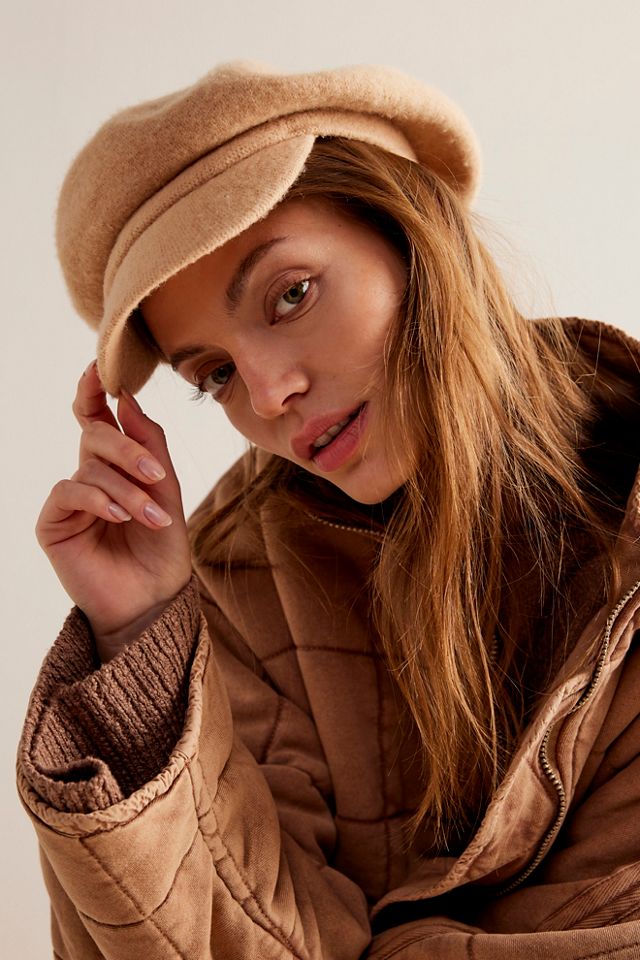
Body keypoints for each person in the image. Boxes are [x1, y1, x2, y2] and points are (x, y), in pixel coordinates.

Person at [17, 61, 640, 960]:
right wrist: (139, 635)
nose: (269, 393)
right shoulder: (239, 587)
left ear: (412, 232)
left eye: (291, 294)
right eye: (215, 375)